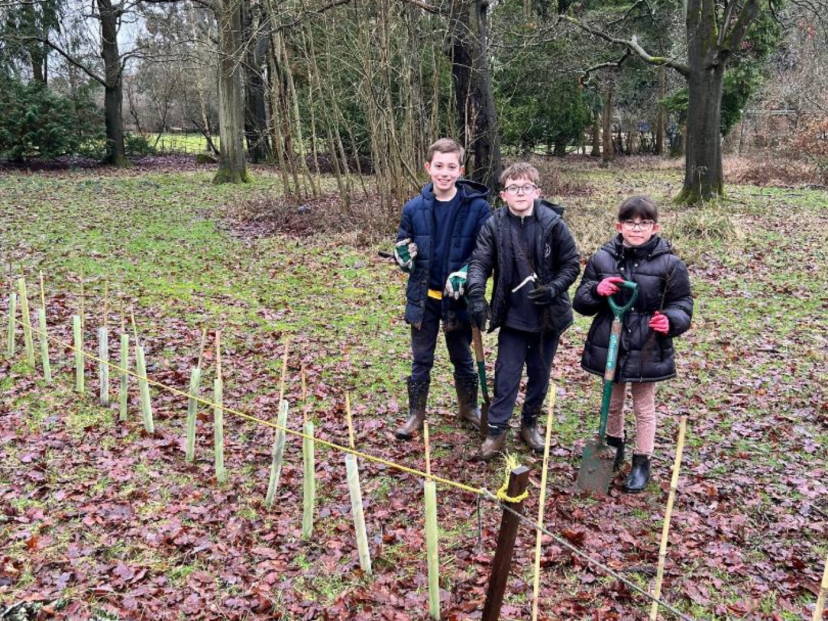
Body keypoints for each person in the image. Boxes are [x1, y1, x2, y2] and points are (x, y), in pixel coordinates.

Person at [572, 195, 693, 492]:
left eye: (644, 223)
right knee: (612, 404)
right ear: (619, 225)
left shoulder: (670, 264)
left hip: (647, 345)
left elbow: (682, 302)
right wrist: (597, 290)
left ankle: (642, 462)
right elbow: (581, 300)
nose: (637, 228)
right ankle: (613, 447)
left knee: (643, 407)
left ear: (655, 227)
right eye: (630, 222)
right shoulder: (603, 258)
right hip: (610, 340)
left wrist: (671, 321)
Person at [466, 162, 580, 461]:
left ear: (537, 191)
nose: (520, 192)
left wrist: (555, 288)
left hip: (547, 318)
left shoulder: (553, 224)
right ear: (503, 195)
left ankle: (529, 424)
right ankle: (497, 432)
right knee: (506, 375)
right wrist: (477, 294)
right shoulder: (494, 224)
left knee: (540, 375)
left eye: (526, 187)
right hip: (513, 318)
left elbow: (571, 263)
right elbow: (479, 262)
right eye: (513, 188)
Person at [393, 138, 492, 441]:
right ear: (428, 168)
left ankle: (469, 407)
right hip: (424, 298)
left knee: (462, 356)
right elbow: (403, 243)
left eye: (451, 167)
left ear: (460, 170)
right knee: (421, 358)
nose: (444, 173)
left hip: (457, 299)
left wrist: (466, 273)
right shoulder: (413, 208)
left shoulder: (478, 208)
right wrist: (403, 257)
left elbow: (485, 253)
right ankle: (415, 414)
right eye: (439, 166)